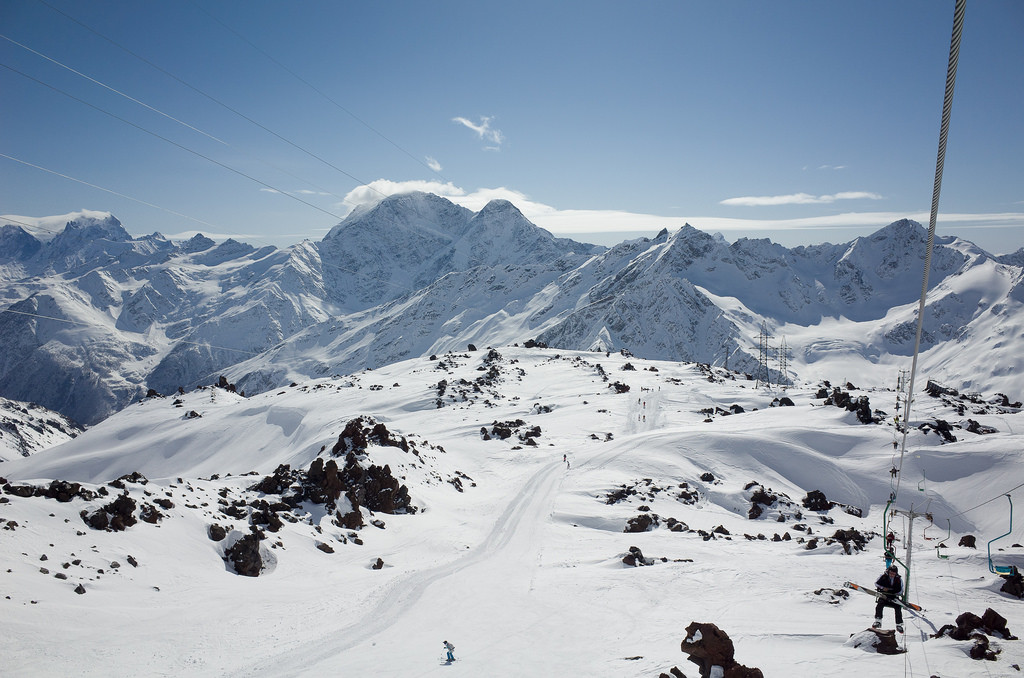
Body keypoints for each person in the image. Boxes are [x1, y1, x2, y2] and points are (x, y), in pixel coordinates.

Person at [873, 564, 904, 632]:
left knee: (898, 607)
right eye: (891, 573)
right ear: (888, 572)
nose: (892, 575)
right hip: (884, 595)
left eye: (893, 574)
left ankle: (899, 624)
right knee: (879, 605)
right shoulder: (883, 576)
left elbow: (901, 590)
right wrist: (882, 588)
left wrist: (894, 593)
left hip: (893, 596)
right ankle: (878, 621)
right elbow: (876, 583)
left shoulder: (898, 579)